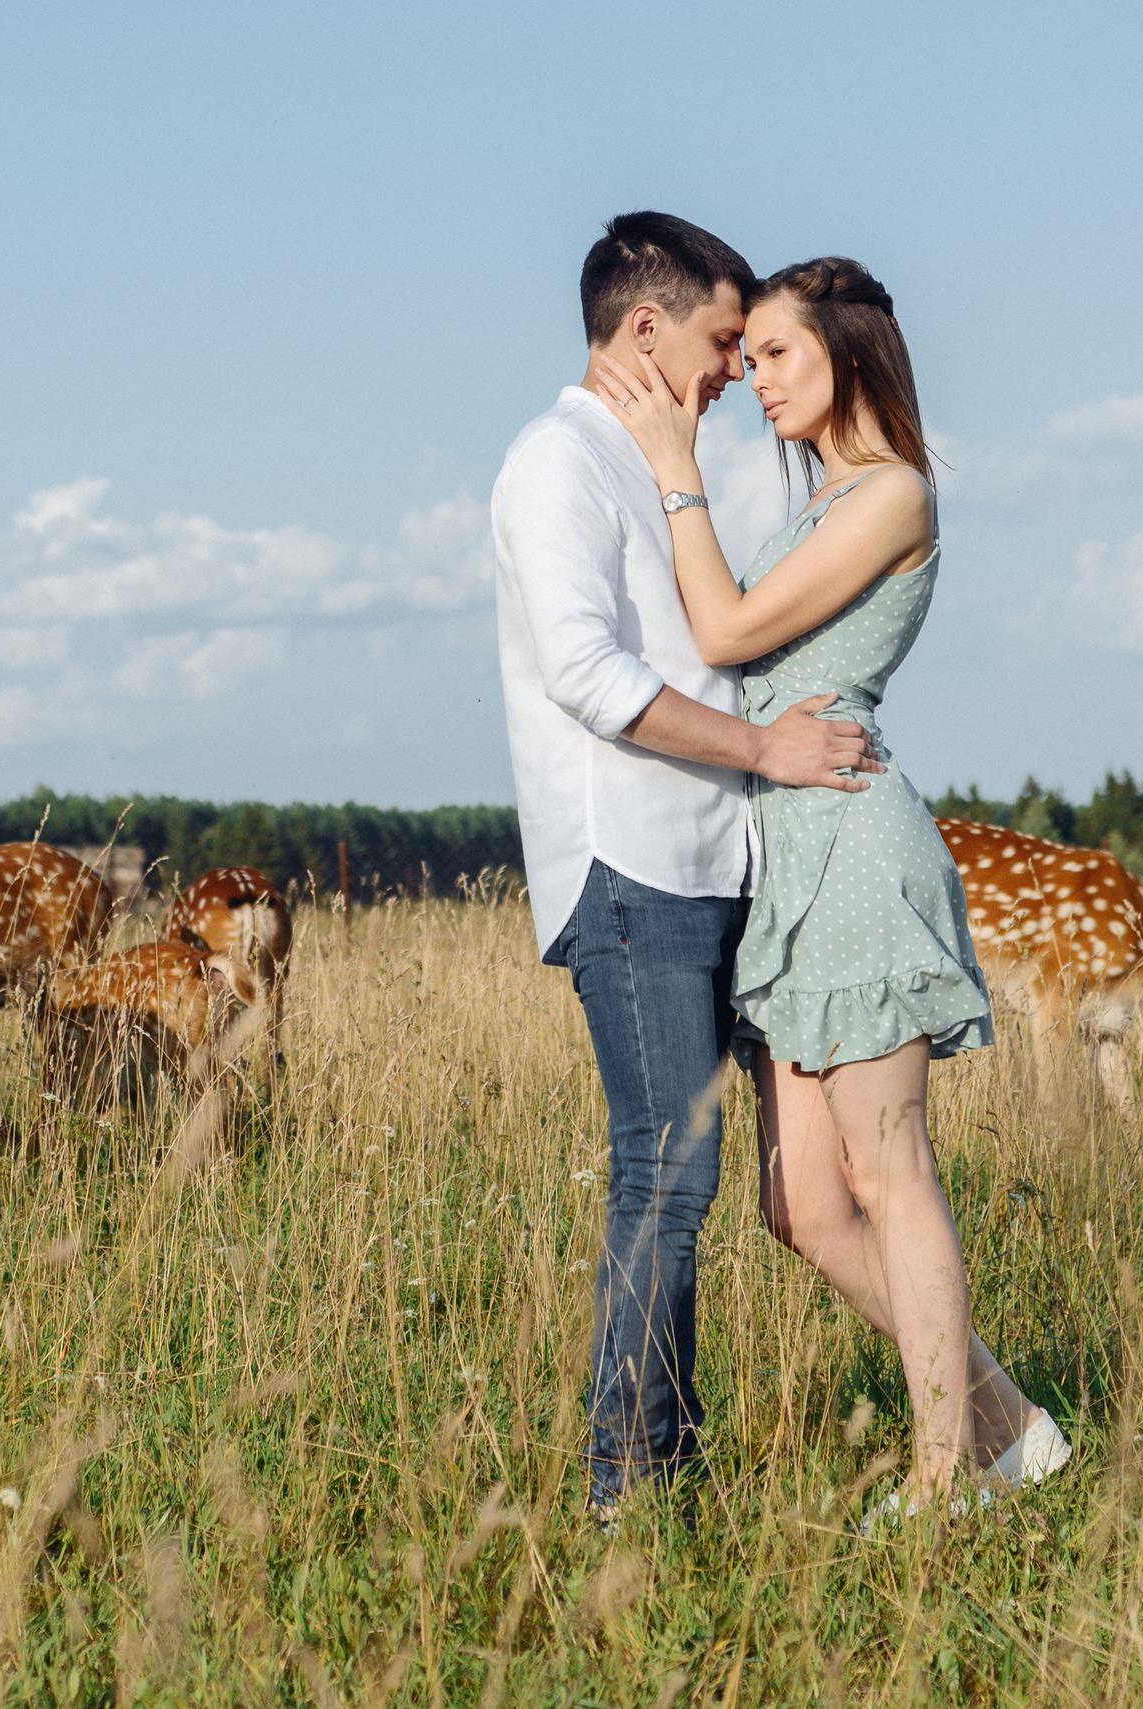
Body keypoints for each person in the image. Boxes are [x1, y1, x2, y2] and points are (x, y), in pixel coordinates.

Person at [590, 254, 1071, 1518]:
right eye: (744, 359)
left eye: (775, 356)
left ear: (847, 352)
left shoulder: (893, 493)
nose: (751, 380)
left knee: (887, 1162)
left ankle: (941, 1471)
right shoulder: (819, 504)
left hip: (855, 846)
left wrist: (674, 471)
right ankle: (1005, 1420)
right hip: (787, 856)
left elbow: (731, 636)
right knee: (798, 1202)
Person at [491, 212, 880, 1523]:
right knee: (670, 1170)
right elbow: (592, 678)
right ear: (644, 329)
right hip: (634, 863)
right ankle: (624, 1493)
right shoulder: (555, 463)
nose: (734, 370)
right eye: (723, 340)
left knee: (734, 1178)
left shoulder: (668, 462)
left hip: (725, 867)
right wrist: (768, 753)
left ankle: (671, 1464)